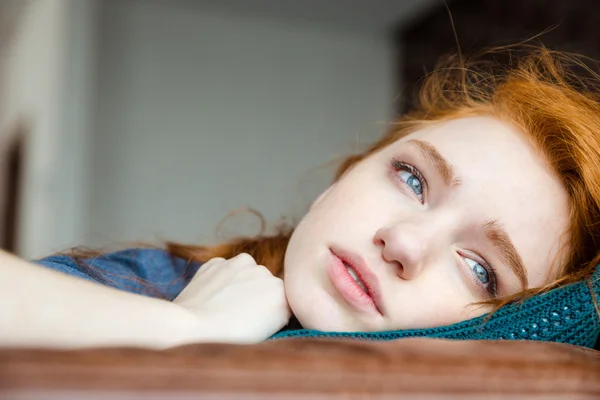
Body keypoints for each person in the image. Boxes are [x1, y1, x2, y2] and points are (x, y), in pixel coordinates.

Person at [1, 46, 599, 349]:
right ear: (344, 177)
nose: (403, 243)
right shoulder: (152, 282)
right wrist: (186, 326)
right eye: (413, 180)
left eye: (479, 270)